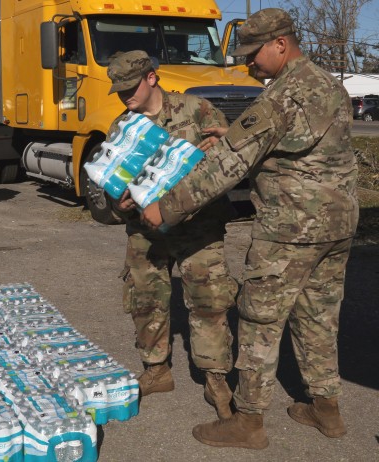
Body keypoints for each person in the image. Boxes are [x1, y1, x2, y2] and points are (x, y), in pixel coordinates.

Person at [140, 9, 358, 449]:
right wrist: (234, 133)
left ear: (281, 44)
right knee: (319, 318)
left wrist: (167, 208)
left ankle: (249, 421)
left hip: (290, 228)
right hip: (337, 224)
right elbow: (297, 149)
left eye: (253, 53)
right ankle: (326, 408)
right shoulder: (327, 84)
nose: (247, 64)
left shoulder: (280, 96)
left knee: (260, 320)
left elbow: (228, 165)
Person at [104, 50, 239, 420]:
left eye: (130, 86)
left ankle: (215, 377)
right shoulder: (122, 127)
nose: (124, 95)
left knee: (208, 301)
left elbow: (228, 164)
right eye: (118, 89)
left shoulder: (197, 110)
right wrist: (120, 203)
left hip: (199, 227)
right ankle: (156, 369)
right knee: (145, 298)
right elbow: (111, 185)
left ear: (151, 77)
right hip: (147, 233)